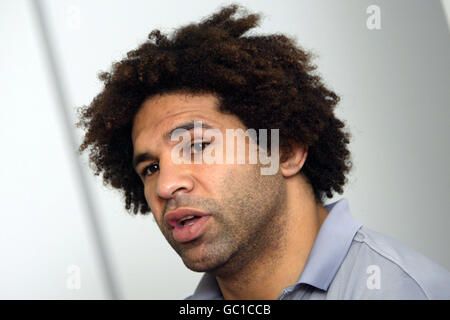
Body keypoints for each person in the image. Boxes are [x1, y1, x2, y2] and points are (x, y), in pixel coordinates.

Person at [76, 4, 450, 299]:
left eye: (197, 146)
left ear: (285, 151)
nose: (165, 185)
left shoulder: (403, 292)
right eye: (151, 167)